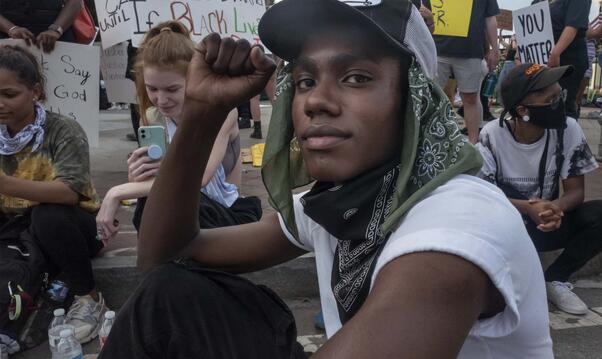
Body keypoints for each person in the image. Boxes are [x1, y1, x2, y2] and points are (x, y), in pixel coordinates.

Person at [100, 0, 553, 357]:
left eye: (356, 77)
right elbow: (166, 252)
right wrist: (201, 110)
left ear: (415, 100)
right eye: (303, 81)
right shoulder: (345, 200)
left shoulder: (456, 229)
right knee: (170, 297)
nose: (316, 101)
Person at [477, 63, 602, 315]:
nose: (560, 103)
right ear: (523, 110)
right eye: (552, 99)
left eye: (561, 95)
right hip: (506, 226)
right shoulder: (492, 135)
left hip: (547, 223)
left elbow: (576, 192)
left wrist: (554, 209)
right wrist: (527, 209)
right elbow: (482, 196)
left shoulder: (567, 130)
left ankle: (554, 279)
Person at [96, 22, 262, 241]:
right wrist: (137, 176)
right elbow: (152, 183)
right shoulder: (153, 118)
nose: (161, 99)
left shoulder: (220, 113)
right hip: (180, 216)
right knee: (151, 203)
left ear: (194, 79)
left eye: (172, 89)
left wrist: (116, 193)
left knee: (169, 199)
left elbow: (198, 178)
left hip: (224, 216)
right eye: (152, 89)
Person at [0, 45, 106, 344]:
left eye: (9, 94)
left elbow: (69, 193)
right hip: (14, 229)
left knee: (49, 215)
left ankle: (89, 297)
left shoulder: (62, 130)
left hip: (70, 226)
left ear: (35, 91)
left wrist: (5, 184)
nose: (1, 104)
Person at [425, 0, 500, 143]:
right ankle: (427, 141)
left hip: (469, 52)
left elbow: (490, 18)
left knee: (470, 98)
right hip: (436, 50)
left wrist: (495, 49)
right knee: (430, 97)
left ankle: (474, 144)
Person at [532, 0, 592, 119]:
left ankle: (566, 136)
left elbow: (573, 26)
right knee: (540, 103)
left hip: (568, 57)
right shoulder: (537, 1)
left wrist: (555, 53)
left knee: (563, 104)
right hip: (541, 58)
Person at [0, 0, 82, 53]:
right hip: (7, 37)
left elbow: (75, 1)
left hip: (57, 37)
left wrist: (57, 29)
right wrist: (10, 28)